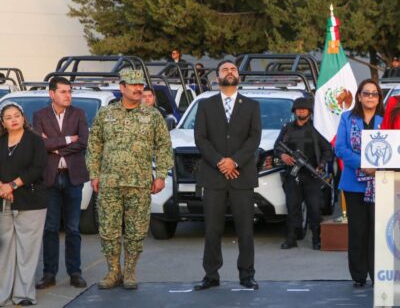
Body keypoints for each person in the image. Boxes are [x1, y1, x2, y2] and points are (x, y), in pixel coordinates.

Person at [86, 69, 173, 290]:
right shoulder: (106, 114)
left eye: (140, 85)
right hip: (109, 183)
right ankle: (113, 271)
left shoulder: (152, 115)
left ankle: (130, 272)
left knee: (136, 230)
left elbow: (163, 146)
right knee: (109, 230)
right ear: (121, 87)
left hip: (139, 182)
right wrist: (94, 174)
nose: (137, 88)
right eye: (132, 85)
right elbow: (94, 145)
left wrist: (161, 175)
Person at [193, 60, 262, 291]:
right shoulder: (205, 105)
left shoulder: (252, 105)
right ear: (217, 77)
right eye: (225, 69)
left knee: (245, 229)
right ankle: (211, 275)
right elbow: (200, 138)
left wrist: (235, 161)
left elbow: (254, 138)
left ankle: (247, 275)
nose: (230, 72)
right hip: (214, 176)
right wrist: (220, 162)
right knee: (213, 229)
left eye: (233, 69)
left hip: (242, 177)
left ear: (239, 77)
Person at [34, 77, 90, 291]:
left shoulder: (79, 114)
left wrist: (54, 147)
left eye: (70, 91)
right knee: (50, 228)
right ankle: (49, 274)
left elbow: (83, 142)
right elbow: (40, 143)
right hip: (49, 177)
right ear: (52, 94)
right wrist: (67, 140)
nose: (68, 95)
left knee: (73, 228)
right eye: (64, 91)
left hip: (72, 176)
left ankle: (75, 272)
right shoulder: (40, 115)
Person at [334, 79, 384, 287]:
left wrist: (377, 166)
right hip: (353, 183)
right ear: (359, 96)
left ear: (379, 97)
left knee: (377, 231)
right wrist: (363, 164)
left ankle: (378, 274)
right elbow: (341, 148)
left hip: (381, 183)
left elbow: (394, 146)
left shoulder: (387, 119)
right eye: (366, 93)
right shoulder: (347, 118)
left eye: (374, 94)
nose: (370, 97)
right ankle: (358, 275)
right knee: (357, 230)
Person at [0, 103, 47, 306]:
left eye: (17, 115)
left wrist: (11, 185)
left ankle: (24, 295)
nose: (13, 119)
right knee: (4, 251)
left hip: (31, 200)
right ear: (3, 122)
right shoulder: (0, 141)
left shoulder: (35, 140)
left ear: (23, 118)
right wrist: (2, 188)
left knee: (27, 251)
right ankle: (3, 294)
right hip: (3, 200)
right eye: (8, 117)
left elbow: (37, 168)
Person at [274, 97, 333, 250]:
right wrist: (283, 156)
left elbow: (328, 150)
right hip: (292, 176)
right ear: (294, 111)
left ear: (309, 112)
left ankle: (316, 239)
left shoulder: (315, 130)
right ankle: (291, 238)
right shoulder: (287, 129)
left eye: (304, 109)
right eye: (298, 109)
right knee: (292, 207)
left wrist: (321, 165)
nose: (301, 111)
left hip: (311, 176)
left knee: (314, 208)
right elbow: (277, 147)